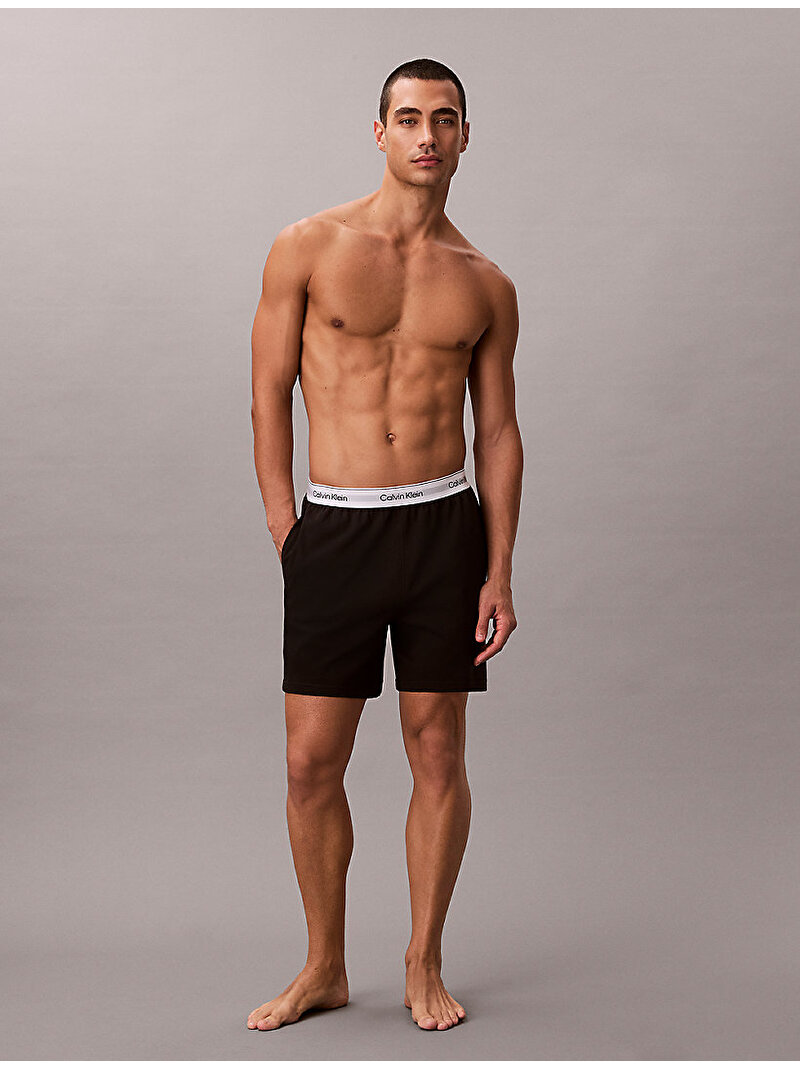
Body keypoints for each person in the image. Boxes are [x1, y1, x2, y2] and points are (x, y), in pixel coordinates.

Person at [247, 57, 523, 1033]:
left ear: (463, 137)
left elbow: (498, 432)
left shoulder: (485, 283)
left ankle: (422, 959)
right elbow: (267, 392)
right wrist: (286, 527)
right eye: (407, 118)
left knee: (436, 750)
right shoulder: (308, 246)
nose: (425, 136)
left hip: (444, 531)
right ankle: (323, 965)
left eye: (443, 119)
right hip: (338, 527)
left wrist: (498, 569)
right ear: (379, 132)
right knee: (308, 764)